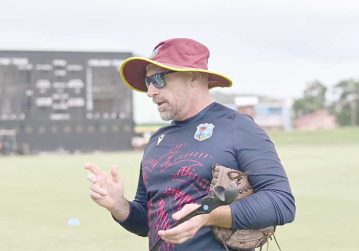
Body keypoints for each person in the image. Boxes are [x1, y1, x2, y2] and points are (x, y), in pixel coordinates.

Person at [85, 38, 296, 251]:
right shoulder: (157, 140)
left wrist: (209, 216)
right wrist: (119, 206)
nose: (150, 92)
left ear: (193, 77)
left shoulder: (238, 128)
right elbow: (149, 224)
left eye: (158, 79)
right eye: (148, 82)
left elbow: (282, 203)